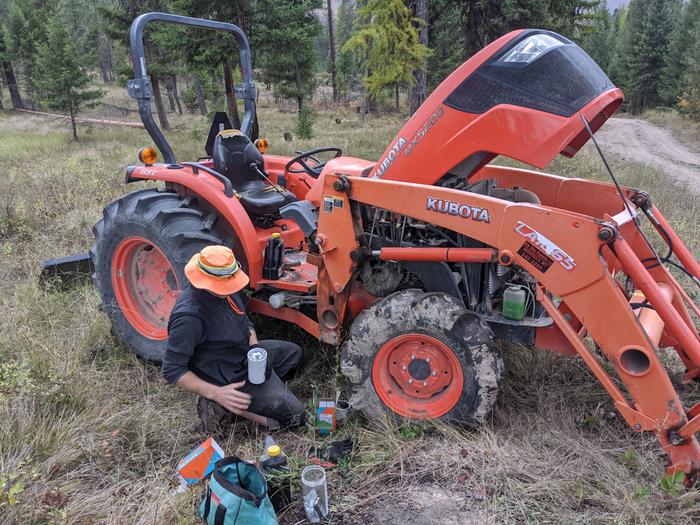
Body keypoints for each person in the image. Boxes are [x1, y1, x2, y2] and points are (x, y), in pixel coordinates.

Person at [161, 245, 305, 431]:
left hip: (243, 354)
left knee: (294, 354)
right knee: (295, 416)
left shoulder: (226, 289)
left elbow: (245, 321)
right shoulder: (189, 317)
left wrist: (255, 349)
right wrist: (217, 393)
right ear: (207, 279)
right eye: (224, 286)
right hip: (227, 374)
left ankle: (264, 392)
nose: (230, 289)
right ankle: (224, 405)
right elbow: (172, 370)